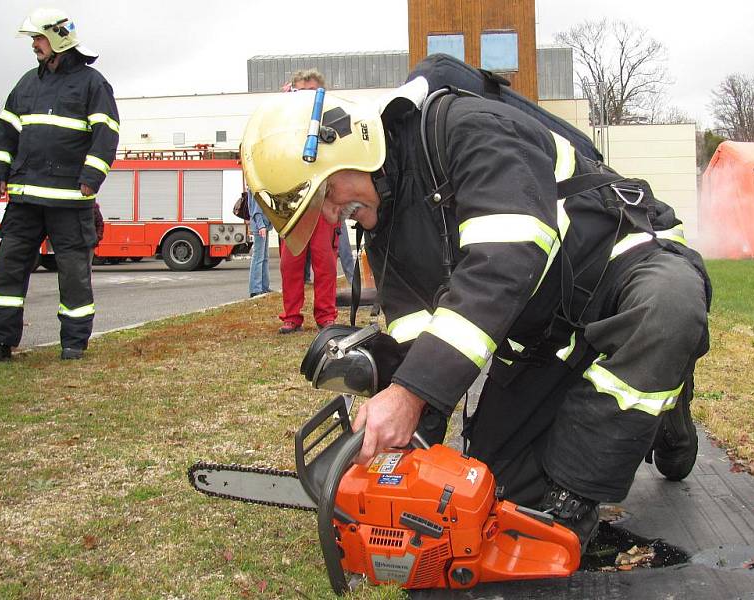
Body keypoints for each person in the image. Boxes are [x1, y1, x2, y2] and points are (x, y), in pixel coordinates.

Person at [241, 69, 711, 552]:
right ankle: (637, 397)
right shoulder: (386, 227)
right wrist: (396, 447)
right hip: (544, 334)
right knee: (496, 498)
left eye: (324, 195)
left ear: (347, 149)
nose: (328, 215)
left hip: (619, 267)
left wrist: (409, 394)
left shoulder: (468, 129)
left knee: (668, 308)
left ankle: (641, 431)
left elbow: (505, 262)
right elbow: (417, 336)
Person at [0, 7, 119, 361]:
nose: (34, 44)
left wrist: (90, 180)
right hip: (25, 198)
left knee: (74, 274)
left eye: (38, 38)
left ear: (59, 37)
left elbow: (106, 135)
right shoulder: (27, 84)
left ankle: (74, 343)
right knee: (8, 272)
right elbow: (5, 132)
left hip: (69, 200)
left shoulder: (93, 84)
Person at [274, 69, 339, 334]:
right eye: (300, 92)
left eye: (311, 92)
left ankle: (326, 316)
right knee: (290, 263)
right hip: (294, 202)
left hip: (323, 199)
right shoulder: (283, 123)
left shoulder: (334, 119)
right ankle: (292, 316)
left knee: (325, 262)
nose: (306, 98)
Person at [247, 189, 272, 297]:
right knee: (258, 258)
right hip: (260, 226)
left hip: (264, 225)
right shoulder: (255, 187)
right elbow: (256, 210)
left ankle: (264, 287)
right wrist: (261, 226)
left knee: (264, 257)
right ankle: (255, 289)